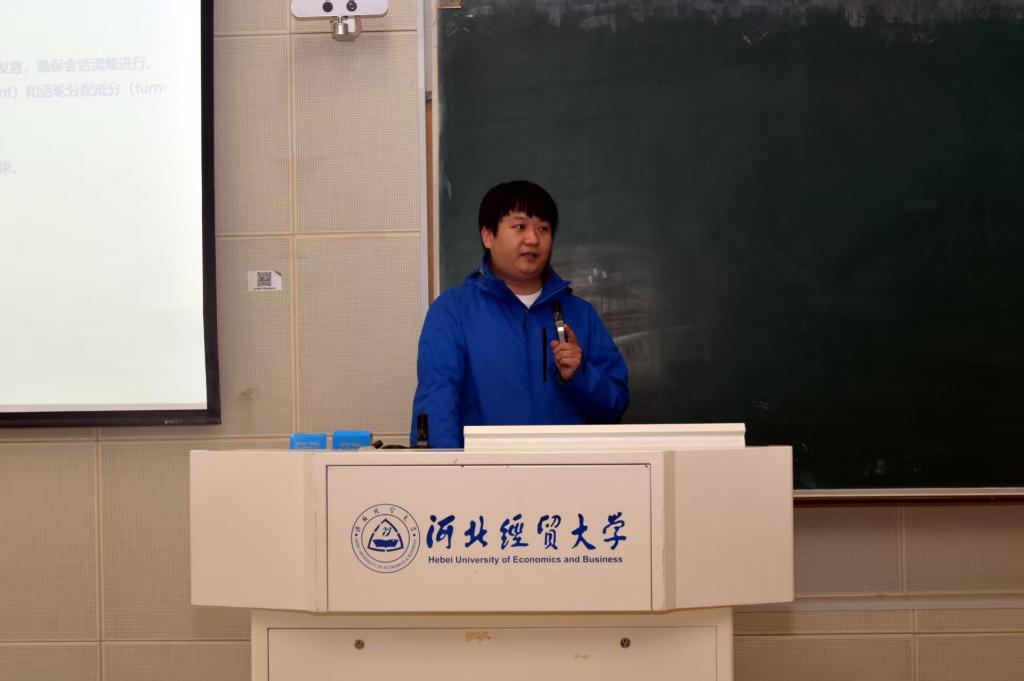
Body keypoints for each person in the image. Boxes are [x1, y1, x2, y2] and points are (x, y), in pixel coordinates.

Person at [410, 180, 629, 447]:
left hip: (566, 470)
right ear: (488, 236)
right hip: (483, 470)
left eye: (543, 229)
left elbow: (615, 407)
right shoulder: (452, 311)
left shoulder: (580, 314)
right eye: (520, 227)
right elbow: (436, 407)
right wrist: (448, 469)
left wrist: (580, 375)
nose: (533, 239)